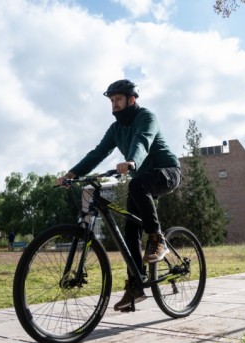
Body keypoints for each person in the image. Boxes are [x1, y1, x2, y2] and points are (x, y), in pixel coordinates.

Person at [56, 79, 181, 311]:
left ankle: (157, 238)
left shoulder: (146, 117)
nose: (114, 104)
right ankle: (135, 287)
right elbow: (97, 153)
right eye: (111, 101)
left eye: (118, 100)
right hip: (140, 180)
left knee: (136, 186)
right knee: (130, 230)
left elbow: (143, 139)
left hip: (166, 172)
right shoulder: (116, 129)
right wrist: (71, 174)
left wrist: (132, 160)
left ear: (131, 99)